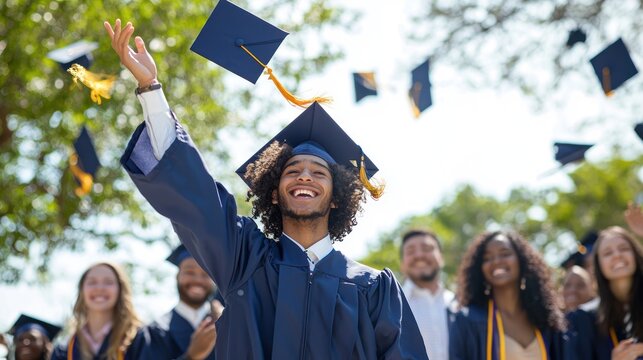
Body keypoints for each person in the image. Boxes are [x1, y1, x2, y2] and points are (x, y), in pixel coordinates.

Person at [104, 18, 427, 360]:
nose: (304, 176)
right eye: (292, 170)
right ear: (273, 192)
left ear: (337, 199)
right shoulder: (245, 261)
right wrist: (151, 89)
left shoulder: (373, 288)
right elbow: (199, 200)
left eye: (319, 172)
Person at [449, 230, 567, 360]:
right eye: (487, 258)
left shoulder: (544, 317)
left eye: (505, 254)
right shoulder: (468, 321)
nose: (496, 261)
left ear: (522, 260)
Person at [567, 226, 643, 360]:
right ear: (598, 265)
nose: (617, 255)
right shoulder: (583, 320)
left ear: (636, 255)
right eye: (607, 253)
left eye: (624, 249)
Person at [136, 245, 220, 360]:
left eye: (205, 274)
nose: (198, 280)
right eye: (189, 272)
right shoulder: (154, 332)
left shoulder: (225, 326)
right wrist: (190, 357)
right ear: (177, 276)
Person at [51, 262, 142, 360]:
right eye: (92, 282)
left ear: (120, 290)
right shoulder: (64, 349)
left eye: (108, 282)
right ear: (81, 290)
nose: (99, 288)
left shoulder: (138, 341)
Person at [399, 229, 455, 360]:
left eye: (427, 248)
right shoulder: (391, 307)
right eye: (410, 251)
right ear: (402, 264)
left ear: (441, 257)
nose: (419, 255)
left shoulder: (458, 304)